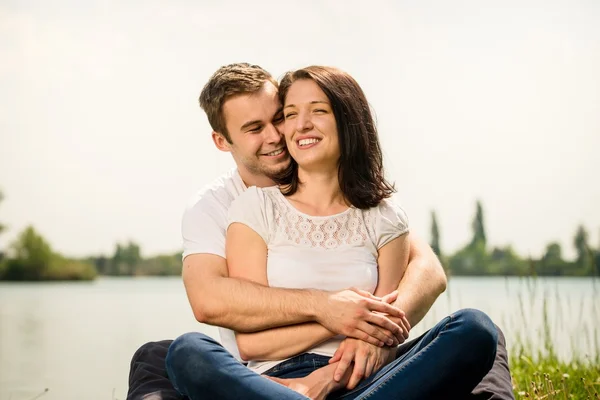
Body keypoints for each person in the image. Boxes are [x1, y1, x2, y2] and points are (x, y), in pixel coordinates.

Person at [126, 63, 514, 400]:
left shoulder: (379, 213)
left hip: (364, 376)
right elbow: (211, 303)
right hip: (269, 380)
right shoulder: (229, 207)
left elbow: (427, 267)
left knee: (478, 331)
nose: (280, 133)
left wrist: (366, 337)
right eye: (255, 128)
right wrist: (330, 311)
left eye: (279, 117)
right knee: (179, 354)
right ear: (222, 141)